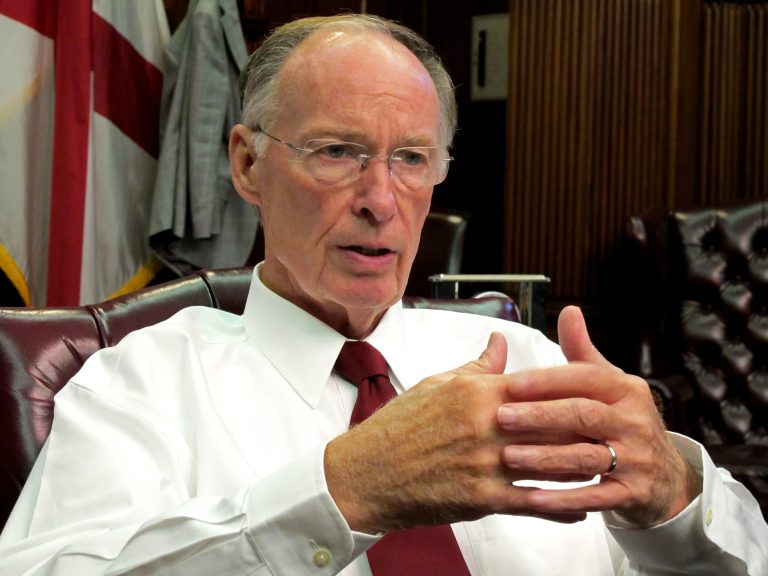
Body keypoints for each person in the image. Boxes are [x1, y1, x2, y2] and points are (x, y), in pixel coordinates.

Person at [1, 13, 766, 576]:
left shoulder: (528, 364)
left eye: (411, 158)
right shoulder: (140, 382)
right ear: (246, 164)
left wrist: (674, 492)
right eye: (336, 152)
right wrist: (348, 490)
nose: (381, 197)